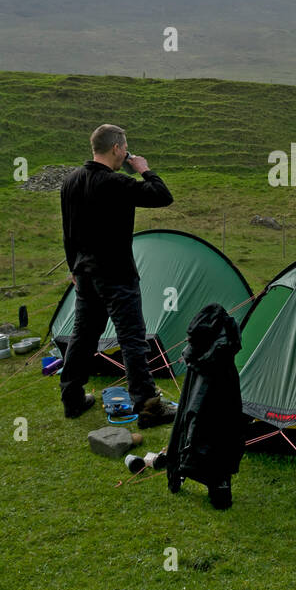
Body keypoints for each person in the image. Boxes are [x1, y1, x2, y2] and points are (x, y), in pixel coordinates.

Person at [58, 123, 174, 422]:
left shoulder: (71, 181)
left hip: (84, 273)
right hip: (116, 274)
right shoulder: (115, 183)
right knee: (132, 338)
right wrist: (144, 169)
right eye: (125, 149)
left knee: (82, 336)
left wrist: (73, 266)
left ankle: (72, 398)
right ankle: (149, 404)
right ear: (116, 149)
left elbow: (68, 232)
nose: (126, 154)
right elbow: (162, 196)